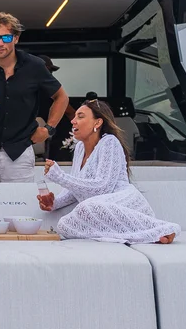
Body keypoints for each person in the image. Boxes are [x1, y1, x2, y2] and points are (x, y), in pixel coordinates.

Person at [39, 99, 177, 244]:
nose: (73, 121)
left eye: (80, 116)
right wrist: (54, 203)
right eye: (74, 117)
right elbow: (75, 189)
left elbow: (102, 188)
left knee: (86, 206)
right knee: (64, 225)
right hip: (98, 207)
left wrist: (60, 177)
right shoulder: (79, 148)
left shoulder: (109, 142)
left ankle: (161, 228)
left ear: (97, 123)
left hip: (123, 203)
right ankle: (125, 237)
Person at [0, 12, 69, 183]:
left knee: (20, 207)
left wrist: (48, 130)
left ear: (16, 38)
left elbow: (61, 97)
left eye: (6, 38)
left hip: (20, 154)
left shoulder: (34, 66)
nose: (0, 43)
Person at [36, 55, 77, 162]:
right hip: (57, 135)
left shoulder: (26, 89)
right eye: (49, 71)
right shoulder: (51, 90)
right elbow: (70, 112)